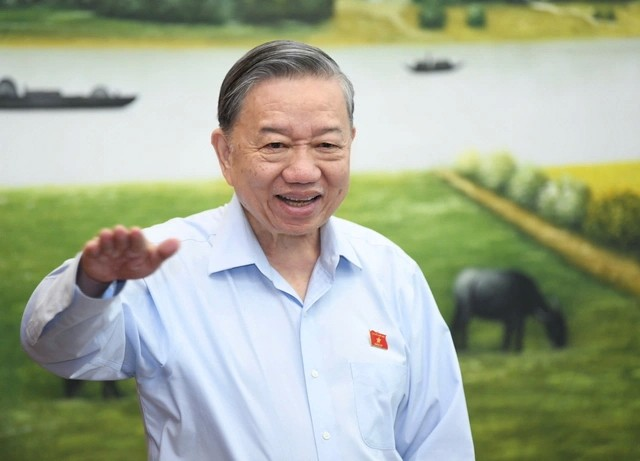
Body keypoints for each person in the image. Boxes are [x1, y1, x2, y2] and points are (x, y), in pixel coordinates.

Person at [21, 40, 474, 460]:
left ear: (350, 145)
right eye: (275, 145)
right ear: (225, 153)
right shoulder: (161, 265)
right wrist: (93, 282)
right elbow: (60, 351)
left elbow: (440, 439)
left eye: (326, 145)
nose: (302, 171)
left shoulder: (391, 271)